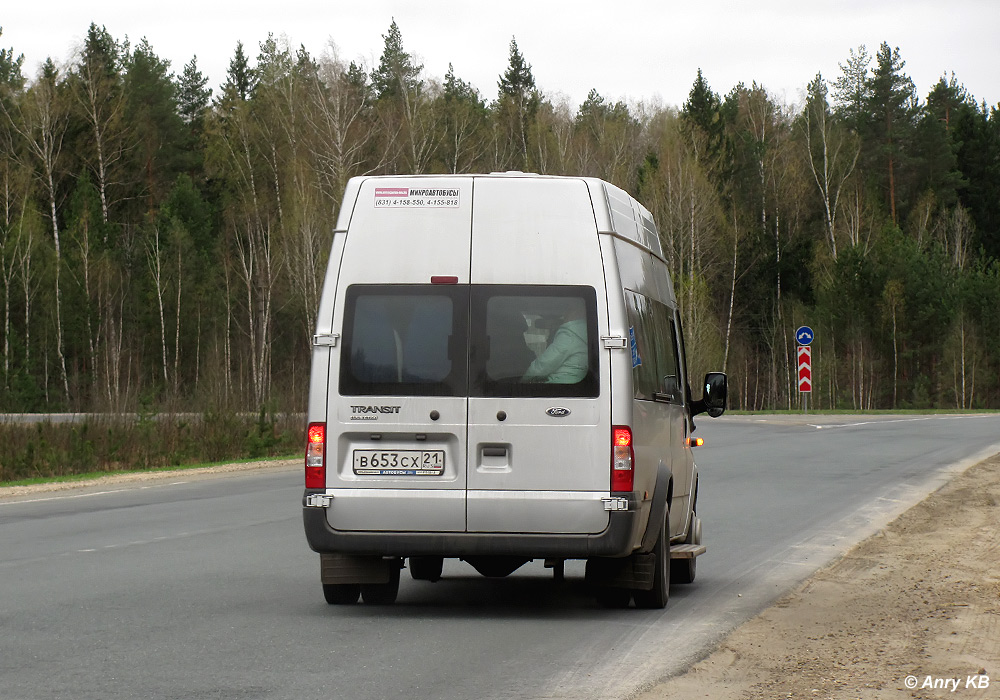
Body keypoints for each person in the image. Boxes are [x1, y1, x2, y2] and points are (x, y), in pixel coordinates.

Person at [523, 305, 588, 384]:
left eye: (568, 311)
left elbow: (544, 365)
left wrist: (522, 382)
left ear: (575, 312)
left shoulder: (570, 335)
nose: (564, 316)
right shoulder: (585, 332)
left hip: (561, 386)